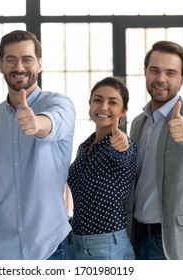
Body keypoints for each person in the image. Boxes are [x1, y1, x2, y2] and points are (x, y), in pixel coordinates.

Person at [0, 30, 76, 260]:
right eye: (11, 59)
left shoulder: (60, 104)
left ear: (39, 64)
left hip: (50, 248)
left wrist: (36, 123)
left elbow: (55, 122)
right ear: (1, 65)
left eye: (27, 59)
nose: (19, 67)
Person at [127, 41, 183, 260]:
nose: (161, 79)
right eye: (155, 70)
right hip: (136, 236)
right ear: (145, 72)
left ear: (182, 80)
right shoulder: (139, 122)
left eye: (170, 73)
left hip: (173, 240)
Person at [67, 76, 136, 260]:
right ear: (90, 104)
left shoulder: (122, 144)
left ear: (123, 110)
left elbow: (124, 156)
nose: (103, 106)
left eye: (112, 102)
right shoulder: (85, 146)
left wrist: (122, 144)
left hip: (106, 246)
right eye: (98, 99)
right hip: (76, 242)